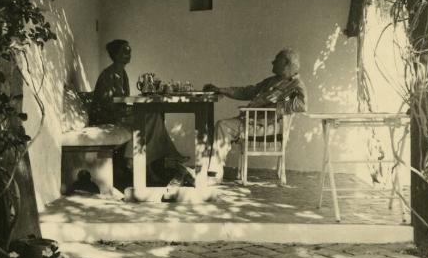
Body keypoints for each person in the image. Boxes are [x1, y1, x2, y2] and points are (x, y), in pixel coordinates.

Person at [203, 48, 307, 183]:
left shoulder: (296, 84)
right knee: (222, 126)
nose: (272, 62)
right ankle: (212, 168)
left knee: (222, 126)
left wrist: (275, 107)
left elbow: (302, 105)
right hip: (253, 122)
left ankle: (215, 174)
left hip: (267, 127)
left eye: (276, 60)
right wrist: (221, 90)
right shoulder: (272, 80)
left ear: (286, 63)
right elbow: (249, 91)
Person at [89, 39, 184, 188]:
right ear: (115, 54)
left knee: (153, 115)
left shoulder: (122, 73)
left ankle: (142, 163)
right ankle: (138, 162)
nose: (128, 53)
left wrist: (128, 109)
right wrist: (127, 111)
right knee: (148, 118)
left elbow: (122, 101)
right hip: (105, 117)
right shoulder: (109, 74)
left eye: (129, 50)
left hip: (116, 114)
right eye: (124, 51)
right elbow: (106, 104)